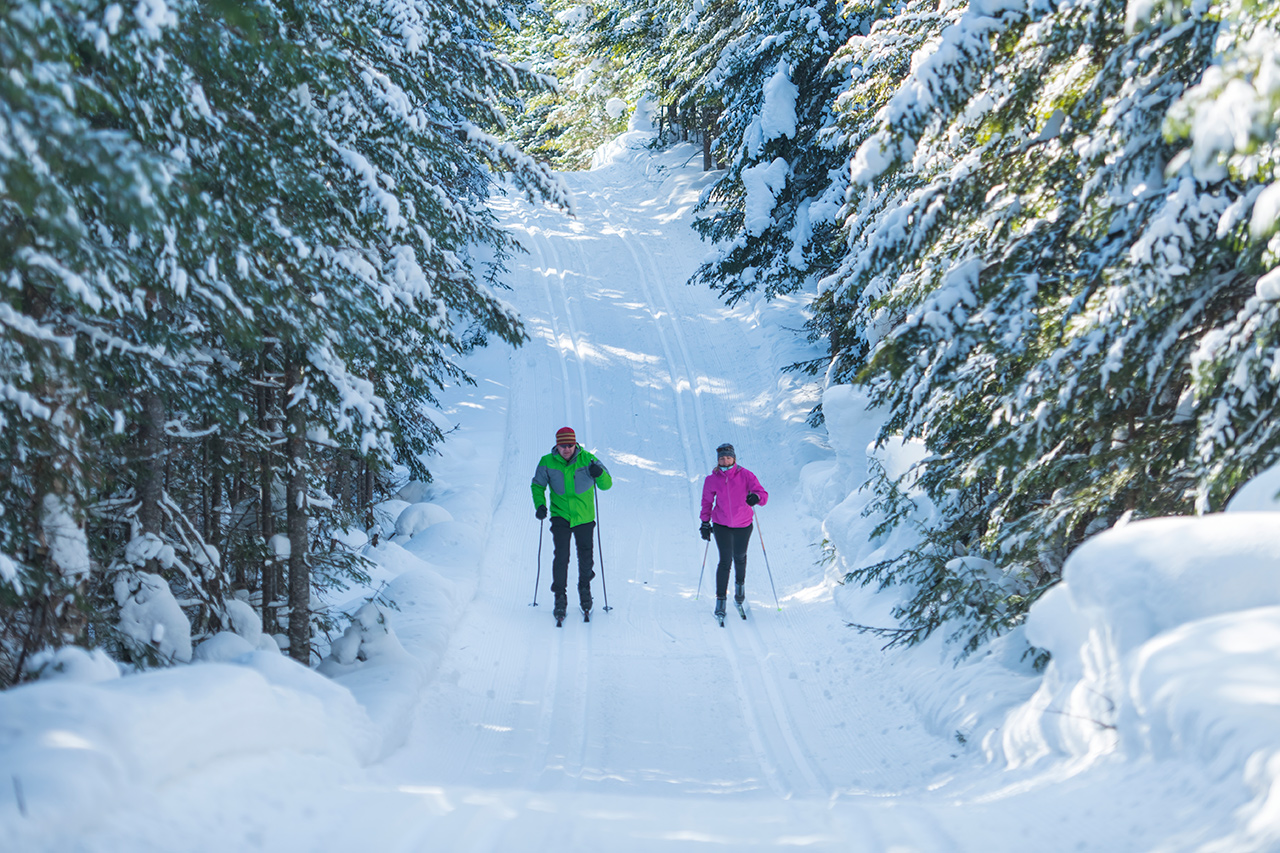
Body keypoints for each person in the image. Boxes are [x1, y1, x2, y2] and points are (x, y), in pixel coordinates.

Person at [532, 427, 612, 621]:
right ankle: (560, 596)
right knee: (561, 556)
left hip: (584, 517)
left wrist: (599, 473)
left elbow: (606, 485)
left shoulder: (589, 460)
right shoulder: (547, 462)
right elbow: (537, 485)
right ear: (556, 445)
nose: (566, 449)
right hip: (561, 516)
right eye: (562, 445)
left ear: (575, 444)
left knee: (586, 556)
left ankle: (585, 590)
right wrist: (540, 505)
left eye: (570, 445)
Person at [699, 443, 767, 620]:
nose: (725, 460)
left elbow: (763, 495)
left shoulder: (746, 475)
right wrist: (705, 523)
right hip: (721, 524)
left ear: (734, 458)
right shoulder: (712, 479)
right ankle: (720, 600)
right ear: (718, 460)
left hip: (743, 524)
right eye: (722, 458)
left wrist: (756, 497)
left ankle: (740, 592)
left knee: (740, 556)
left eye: (728, 457)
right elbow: (707, 502)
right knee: (725, 560)